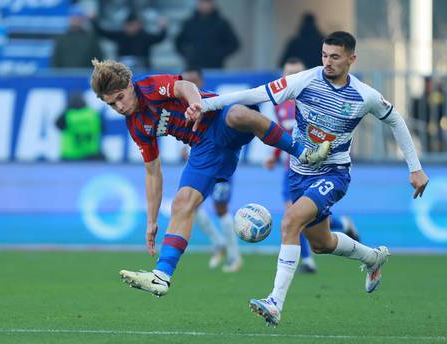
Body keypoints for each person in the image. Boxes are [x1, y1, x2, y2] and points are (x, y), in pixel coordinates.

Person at [195, 31, 429, 325]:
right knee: (321, 243)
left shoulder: (364, 95)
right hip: (298, 173)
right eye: (324, 55)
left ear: (351, 59)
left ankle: (275, 302)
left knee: (291, 220)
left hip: (334, 174)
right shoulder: (305, 80)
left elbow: (395, 119)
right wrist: (208, 104)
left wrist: (415, 166)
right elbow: (256, 93)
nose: (327, 62)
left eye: (335, 57)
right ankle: (372, 258)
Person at [90, 59, 330, 297]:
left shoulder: (150, 87)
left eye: (120, 97)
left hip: (219, 118)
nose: (119, 107)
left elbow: (185, 87)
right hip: (204, 149)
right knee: (182, 203)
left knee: (237, 113)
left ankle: (303, 153)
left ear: (130, 85)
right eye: (112, 105)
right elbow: (153, 171)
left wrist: (197, 106)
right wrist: (151, 221)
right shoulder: (136, 126)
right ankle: (161, 276)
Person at [265, 57, 359, 274]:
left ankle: (310, 257)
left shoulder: (312, 99)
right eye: (289, 73)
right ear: (283, 76)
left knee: (297, 215)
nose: (292, 77)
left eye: (297, 73)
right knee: (296, 215)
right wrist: (275, 155)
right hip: (292, 166)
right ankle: (338, 230)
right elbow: (284, 134)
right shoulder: (281, 104)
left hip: (316, 168)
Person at [181, 67, 242, 273]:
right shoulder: (183, 107)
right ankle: (218, 243)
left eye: (194, 81)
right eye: (186, 82)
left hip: (220, 164)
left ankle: (234, 257)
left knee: (220, 208)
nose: (190, 86)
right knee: (190, 206)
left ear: (201, 81)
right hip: (200, 166)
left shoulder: (213, 102)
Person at [175, 0, 239, 69]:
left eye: (207, 2)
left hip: (215, 67)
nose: (205, 5)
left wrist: (219, 55)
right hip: (194, 68)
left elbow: (234, 44)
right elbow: (178, 42)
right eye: (202, 2)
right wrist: (188, 54)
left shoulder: (222, 23)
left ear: (212, 4)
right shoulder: (189, 23)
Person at [92, 13, 167, 69]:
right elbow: (103, 32)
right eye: (128, 25)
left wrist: (163, 28)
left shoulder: (145, 37)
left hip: (142, 69)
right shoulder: (120, 35)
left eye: (132, 25)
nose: (130, 28)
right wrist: (94, 21)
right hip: (123, 70)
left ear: (138, 25)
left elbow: (160, 38)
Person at [55, 91, 105, 160]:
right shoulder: (93, 115)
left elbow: (58, 125)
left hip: (70, 156)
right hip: (91, 155)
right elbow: (103, 129)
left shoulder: (67, 115)